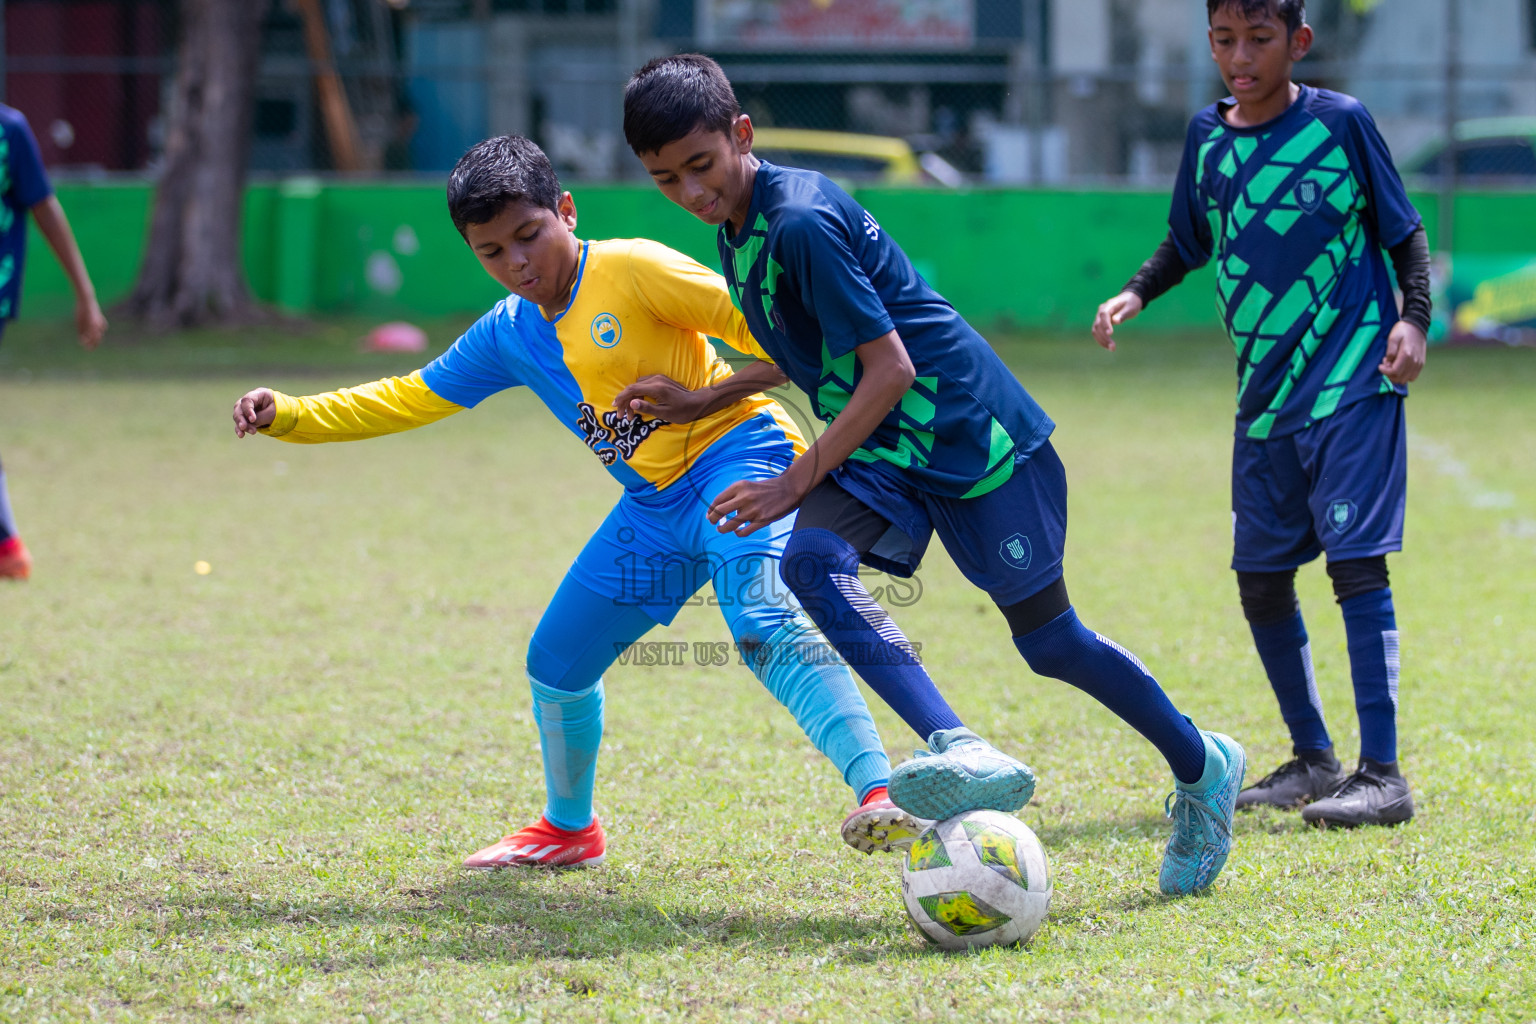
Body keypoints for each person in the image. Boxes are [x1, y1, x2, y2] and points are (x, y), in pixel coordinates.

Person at [619, 55, 1245, 895]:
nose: (691, 192)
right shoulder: (740, 227)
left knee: (1052, 643)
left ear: (740, 135)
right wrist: (705, 399)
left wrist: (793, 480)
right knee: (809, 563)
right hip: (886, 445)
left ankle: (1204, 767)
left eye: (700, 166)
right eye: (666, 180)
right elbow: (802, 349)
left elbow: (892, 370)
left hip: (966, 434)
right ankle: (960, 745)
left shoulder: (798, 221)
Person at [230, 136, 920, 867]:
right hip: (653, 506)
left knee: (759, 616)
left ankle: (879, 793)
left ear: (566, 210)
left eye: (529, 235)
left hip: (739, 454)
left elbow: (794, 342)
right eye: (492, 252)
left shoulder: (636, 269)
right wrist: (292, 414)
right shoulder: (508, 333)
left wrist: (709, 397)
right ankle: (568, 829)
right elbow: (408, 397)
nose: (518, 263)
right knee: (556, 661)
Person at [1091, 0, 1426, 828]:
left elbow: (1403, 232)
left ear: (1298, 42)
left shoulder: (1343, 124)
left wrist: (1413, 318)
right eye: (1224, 40)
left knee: (1354, 564)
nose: (1240, 57)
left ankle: (1382, 774)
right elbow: (1187, 238)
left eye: (1259, 39)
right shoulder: (1209, 138)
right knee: (1261, 578)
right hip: (1264, 399)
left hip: (1352, 376)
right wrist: (1135, 291)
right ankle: (1314, 759)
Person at [0, 104, 108, 581]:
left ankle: (8, 543)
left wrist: (85, 294)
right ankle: (8, 544)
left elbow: (43, 204)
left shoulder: (9, 129)